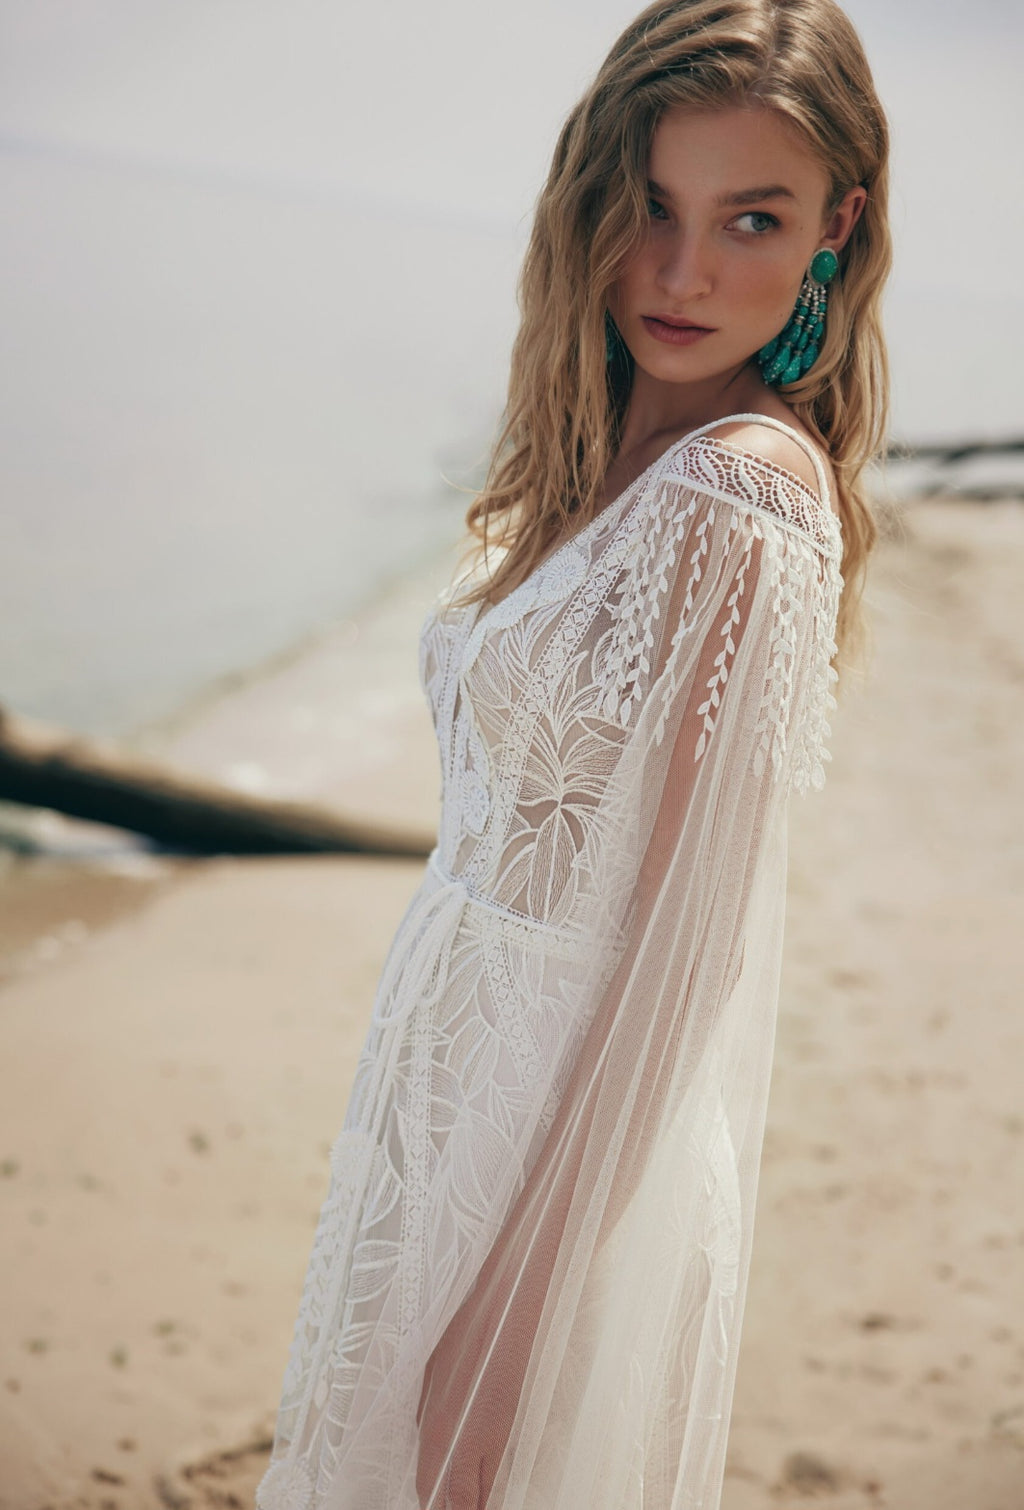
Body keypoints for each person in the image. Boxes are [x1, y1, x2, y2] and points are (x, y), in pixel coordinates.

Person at [256, 0, 891, 1505]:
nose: (683, 273)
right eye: (652, 208)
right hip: (446, 1081)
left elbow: (692, 947)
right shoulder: (607, 454)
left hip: (559, 1144)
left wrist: (518, 1309)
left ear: (835, 231)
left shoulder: (741, 496)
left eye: (753, 218)